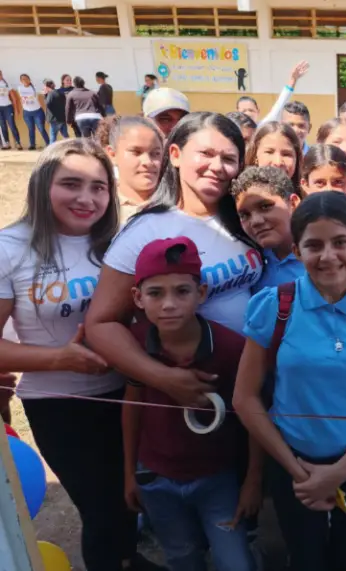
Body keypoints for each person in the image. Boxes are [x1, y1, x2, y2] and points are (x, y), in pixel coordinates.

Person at [0, 139, 161, 571]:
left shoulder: (119, 243)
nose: (87, 198)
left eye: (99, 186)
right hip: (62, 405)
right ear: (41, 185)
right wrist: (60, 359)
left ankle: (129, 560)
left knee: (130, 498)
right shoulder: (10, 248)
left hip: (126, 393)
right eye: (71, 184)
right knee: (101, 510)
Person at [233, 190, 346, 571]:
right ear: (296, 250)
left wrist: (342, 470)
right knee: (304, 556)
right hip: (292, 461)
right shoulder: (274, 306)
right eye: (314, 245)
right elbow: (245, 398)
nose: (328, 256)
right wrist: (300, 472)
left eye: (340, 242)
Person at [84, 112, 261, 409]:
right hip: (192, 387)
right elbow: (101, 324)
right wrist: (162, 377)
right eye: (205, 154)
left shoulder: (244, 220)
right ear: (176, 155)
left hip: (251, 379)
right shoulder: (145, 231)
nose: (217, 166)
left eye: (229, 159)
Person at [123, 236, 260, 571]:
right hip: (156, 478)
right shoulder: (135, 344)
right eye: (156, 293)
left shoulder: (231, 348)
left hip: (218, 479)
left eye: (181, 291)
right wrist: (129, 473)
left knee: (236, 563)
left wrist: (254, 481)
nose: (169, 304)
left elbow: (255, 416)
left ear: (200, 294)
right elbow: (132, 406)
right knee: (181, 556)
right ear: (137, 298)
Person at [232, 166, 303, 290]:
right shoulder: (251, 264)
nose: (255, 222)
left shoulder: (322, 259)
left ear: (293, 203)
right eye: (244, 215)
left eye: (265, 206)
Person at [104, 116, 164, 222]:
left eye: (155, 153)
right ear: (112, 154)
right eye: (136, 152)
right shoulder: (102, 206)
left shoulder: (177, 203)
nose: (148, 162)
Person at [236, 60, 310, 125]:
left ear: (258, 111)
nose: (248, 114)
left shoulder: (264, 127)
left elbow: (281, 104)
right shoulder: (233, 133)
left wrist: (293, 79)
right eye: (244, 111)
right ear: (237, 113)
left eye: (251, 110)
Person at [245, 121, 302, 192]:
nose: (278, 162)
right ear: (255, 156)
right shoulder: (241, 198)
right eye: (269, 152)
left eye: (286, 154)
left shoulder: (306, 200)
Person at [18, 74, 48, 150]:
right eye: (23, 79)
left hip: (37, 112)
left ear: (29, 79)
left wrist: (46, 89)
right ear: (21, 81)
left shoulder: (34, 87)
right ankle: (32, 145)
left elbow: (43, 92)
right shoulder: (20, 88)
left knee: (41, 128)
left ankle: (48, 143)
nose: (25, 80)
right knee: (31, 129)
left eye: (26, 79)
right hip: (27, 112)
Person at [0, 69, 22, 150]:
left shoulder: (6, 83)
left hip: (8, 107)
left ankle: (18, 143)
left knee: (12, 125)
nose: (0, 76)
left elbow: (14, 98)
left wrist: (16, 109)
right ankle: (6, 143)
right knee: (2, 126)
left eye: (0, 74)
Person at [43, 79, 68, 143]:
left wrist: (45, 95)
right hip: (62, 118)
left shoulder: (50, 94)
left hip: (54, 119)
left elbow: (47, 103)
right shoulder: (60, 93)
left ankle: (51, 151)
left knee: (53, 136)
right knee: (65, 136)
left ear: (46, 87)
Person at [59, 74, 82, 138]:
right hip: (64, 114)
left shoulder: (75, 89)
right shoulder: (59, 91)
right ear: (63, 81)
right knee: (64, 132)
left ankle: (80, 144)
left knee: (78, 130)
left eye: (70, 80)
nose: (69, 81)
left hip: (75, 113)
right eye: (67, 80)